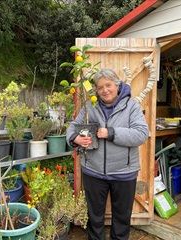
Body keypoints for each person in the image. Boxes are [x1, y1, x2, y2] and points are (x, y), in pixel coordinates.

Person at [66, 68, 149, 240]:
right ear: (96, 90)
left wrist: (111, 133)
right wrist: (75, 138)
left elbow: (141, 134)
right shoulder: (90, 106)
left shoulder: (131, 106)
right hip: (93, 171)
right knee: (95, 218)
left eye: (108, 85)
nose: (105, 90)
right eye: (100, 87)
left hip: (124, 173)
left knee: (121, 218)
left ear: (117, 85)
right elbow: (73, 126)